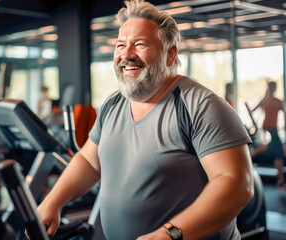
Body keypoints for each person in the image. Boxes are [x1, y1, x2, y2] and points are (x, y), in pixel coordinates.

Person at [35, 1, 254, 239]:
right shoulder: (113, 104)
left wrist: (169, 235)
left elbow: (236, 185)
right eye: (120, 45)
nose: (126, 55)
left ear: (170, 54)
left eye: (140, 44)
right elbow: (89, 161)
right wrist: (53, 201)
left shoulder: (201, 106)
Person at [251, 81, 286, 191]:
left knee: (271, 148)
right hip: (273, 129)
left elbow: (252, 110)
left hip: (265, 127)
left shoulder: (265, 100)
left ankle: (250, 156)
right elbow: (284, 115)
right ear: (274, 88)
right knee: (279, 152)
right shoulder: (277, 101)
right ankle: (280, 181)